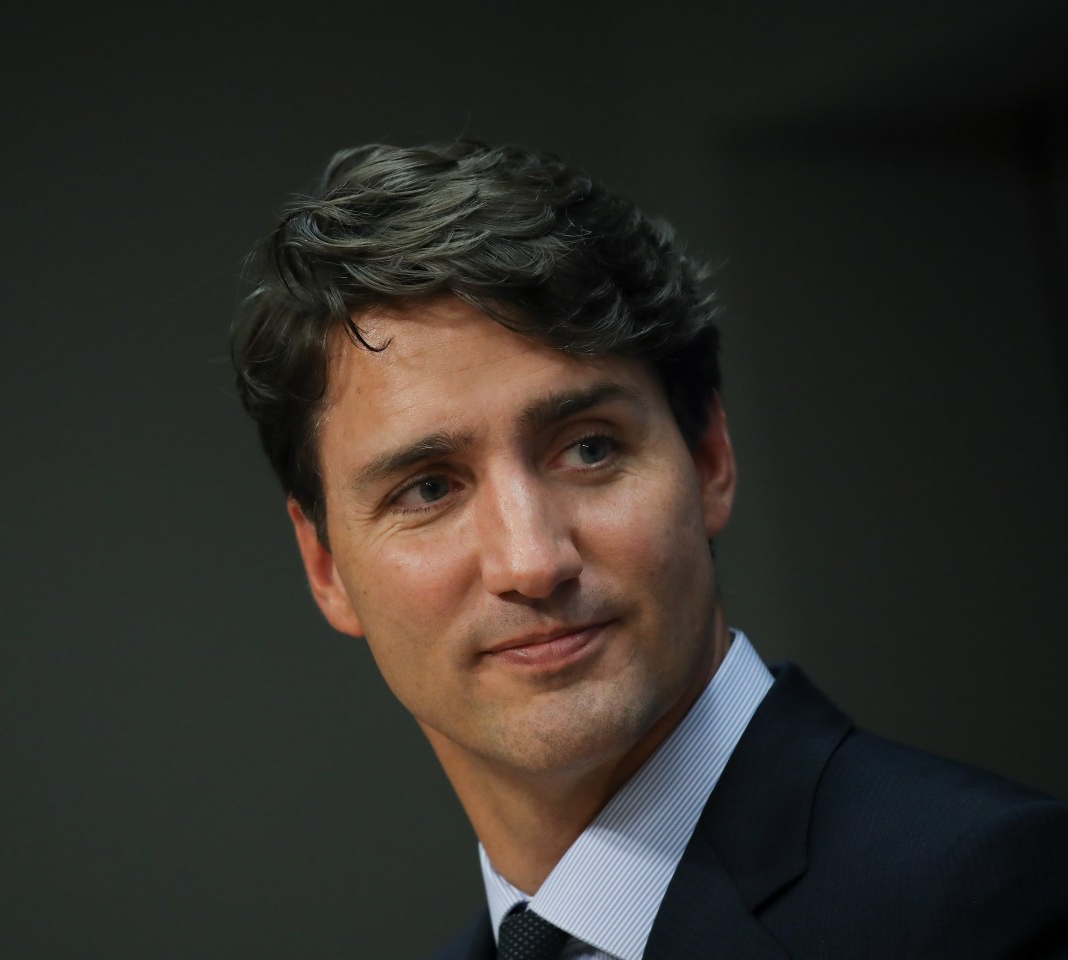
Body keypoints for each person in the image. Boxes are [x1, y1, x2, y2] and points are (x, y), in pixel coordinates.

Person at [228, 140, 1068, 959]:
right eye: (429, 488)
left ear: (709, 462)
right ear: (327, 568)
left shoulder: (977, 900)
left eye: (588, 448)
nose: (531, 561)